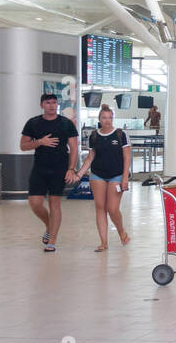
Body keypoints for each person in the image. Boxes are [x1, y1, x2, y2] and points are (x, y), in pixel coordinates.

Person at [20, 93, 79, 251]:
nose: (51, 106)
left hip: (59, 169)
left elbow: (74, 148)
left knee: (55, 204)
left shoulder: (66, 123)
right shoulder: (33, 123)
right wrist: (40, 142)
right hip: (39, 168)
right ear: (42, 105)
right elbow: (23, 146)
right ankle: (49, 226)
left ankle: (52, 241)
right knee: (35, 203)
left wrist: (71, 169)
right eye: (48, 103)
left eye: (54, 103)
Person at [70, 104, 131, 252]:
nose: (107, 120)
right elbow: (90, 158)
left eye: (110, 117)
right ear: (99, 119)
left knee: (112, 208)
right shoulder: (94, 136)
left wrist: (124, 178)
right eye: (104, 118)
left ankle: (121, 231)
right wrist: (78, 174)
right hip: (97, 174)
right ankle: (103, 242)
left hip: (116, 175)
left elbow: (127, 157)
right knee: (100, 207)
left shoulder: (121, 135)